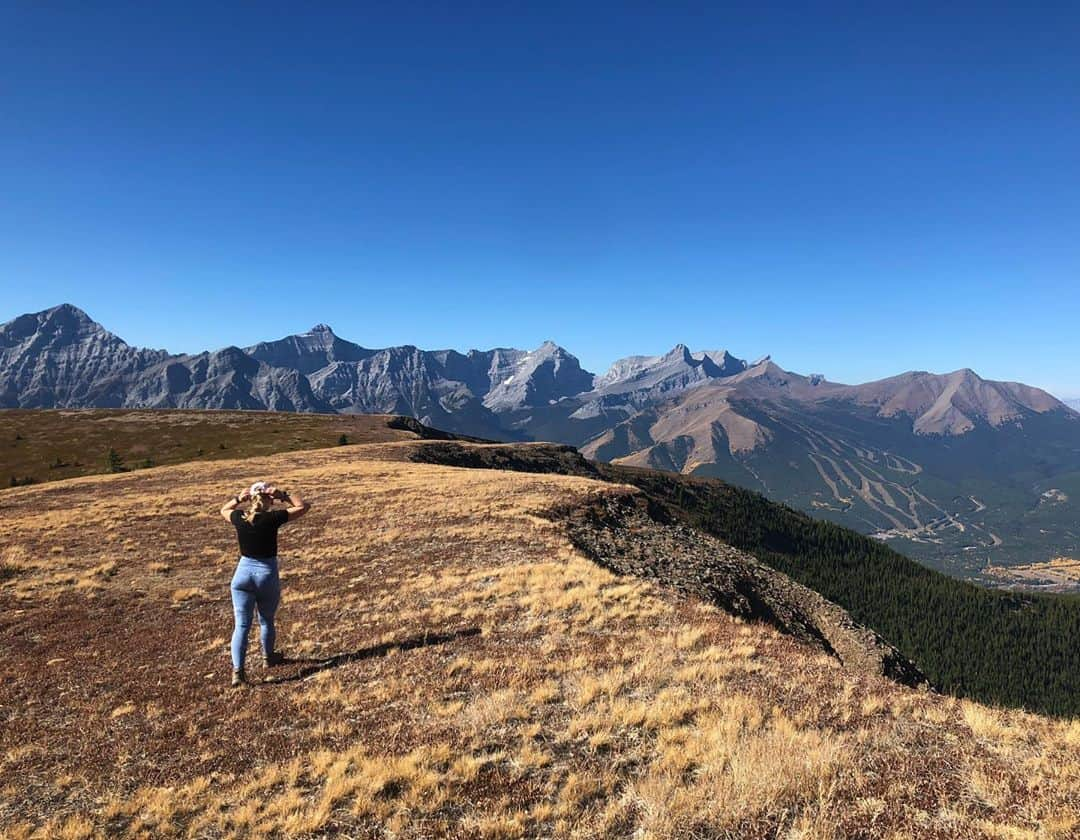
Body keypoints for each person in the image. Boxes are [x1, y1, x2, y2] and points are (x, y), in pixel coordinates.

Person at [219, 480, 310, 687]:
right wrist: (283, 494)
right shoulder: (273, 518)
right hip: (266, 574)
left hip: (241, 575)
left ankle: (238, 672)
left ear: (251, 498)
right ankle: (268, 657)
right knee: (266, 619)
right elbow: (303, 506)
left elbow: (223, 509)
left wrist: (238, 499)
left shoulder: (240, 517)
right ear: (270, 499)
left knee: (241, 625)